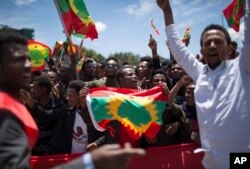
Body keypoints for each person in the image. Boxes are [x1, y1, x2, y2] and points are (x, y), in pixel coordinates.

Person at [0, 30, 145, 169]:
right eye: (19, 59)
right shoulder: (5, 112)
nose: (28, 66)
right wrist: (91, 163)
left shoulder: (12, 107)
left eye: (28, 59)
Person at [157, 0, 250, 168]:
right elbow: (178, 48)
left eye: (218, 42)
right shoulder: (200, 74)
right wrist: (167, 10)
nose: (212, 46)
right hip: (212, 161)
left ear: (229, 48)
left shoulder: (243, 69)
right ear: (202, 52)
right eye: (207, 43)